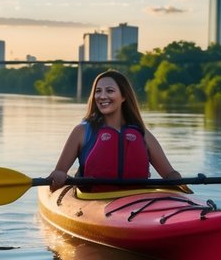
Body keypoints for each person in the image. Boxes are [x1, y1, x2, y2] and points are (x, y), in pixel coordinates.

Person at [49, 69, 181, 191]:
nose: (102, 96)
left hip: (137, 201)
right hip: (92, 202)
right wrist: (59, 175)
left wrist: (175, 178)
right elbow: (60, 171)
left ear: (123, 97)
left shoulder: (142, 133)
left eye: (110, 91)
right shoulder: (82, 131)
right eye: (98, 91)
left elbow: (168, 173)